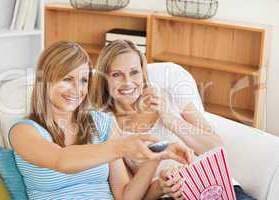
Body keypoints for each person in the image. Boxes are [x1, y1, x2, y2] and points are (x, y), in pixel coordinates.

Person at [8, 41, 193, 200]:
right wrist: (121, 146)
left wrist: (156, 156)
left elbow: (125, 196)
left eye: (83, 81)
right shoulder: (24, 132)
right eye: (67, 79)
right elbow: (61, 160)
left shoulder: (102, 123)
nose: (76, 90)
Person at [90, 39, 256, 200]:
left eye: (134, 72)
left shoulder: (169, 96)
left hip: (216, 187)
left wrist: (168, 117)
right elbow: (130, 195)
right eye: (117, 74)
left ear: (143, 73)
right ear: (105, 80)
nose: (128, 82)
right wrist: (160, 187)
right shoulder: (108, 126)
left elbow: (215, 146)